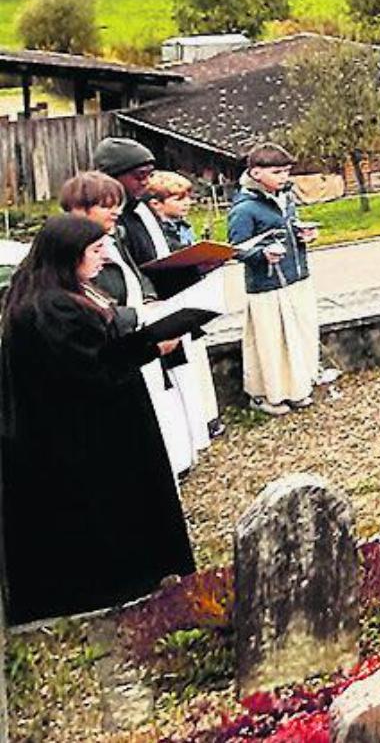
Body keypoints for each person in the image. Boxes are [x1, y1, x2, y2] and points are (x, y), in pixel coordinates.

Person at [0, 214, 197, 624]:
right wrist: (150, 346)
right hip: (79, 435)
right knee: (100, 516)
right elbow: (88, 370)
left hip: (91, 425)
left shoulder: (57, 293)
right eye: (95, 249)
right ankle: (114, 584)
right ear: (68, 254)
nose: (104, 257)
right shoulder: (49, 308)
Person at [60, 171, 203, 471]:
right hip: (121, 345)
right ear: (78, 209)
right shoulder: (70, 255)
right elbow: (95, 303)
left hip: (142, 334)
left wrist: (150, 300)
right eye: (105, 205)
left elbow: (135, 275)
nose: (115, 211)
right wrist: (135, 318)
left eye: (117, 204)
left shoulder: (114, 239)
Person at [227, 143, 325, 416]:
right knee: (272, 344)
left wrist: (303, 236)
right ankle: (267, 394)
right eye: (277, 172)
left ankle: (297, 389)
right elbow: (237, 248)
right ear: (256, 173)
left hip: (296, 277)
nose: (284, 177)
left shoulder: (286, 197)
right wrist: (261, 255)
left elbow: (289, 228)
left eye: (286, 171)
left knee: (298, 336)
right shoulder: (244, 208)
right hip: (267, 287)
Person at [138, 170, 223, 440]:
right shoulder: (153, 232)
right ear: (156, 204)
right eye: (178, 199)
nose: (187, 204)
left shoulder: (182, 227)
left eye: (188, 198)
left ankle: (208, 417)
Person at [94, 137, 164, 271]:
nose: (145, 182)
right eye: (140, 175)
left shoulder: (143, 205)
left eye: (150, 174)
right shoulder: (107, 217)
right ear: (112, 177)